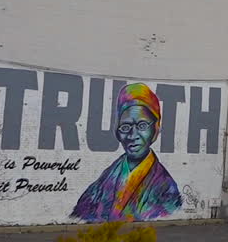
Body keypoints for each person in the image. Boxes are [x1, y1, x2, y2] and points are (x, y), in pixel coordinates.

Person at [71, 83, 182, 221]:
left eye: (142, 125)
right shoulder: (108, 175)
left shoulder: (166, 188)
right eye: (125, 126)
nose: (132, 135)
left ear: (155, 129)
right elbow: (80, 213)